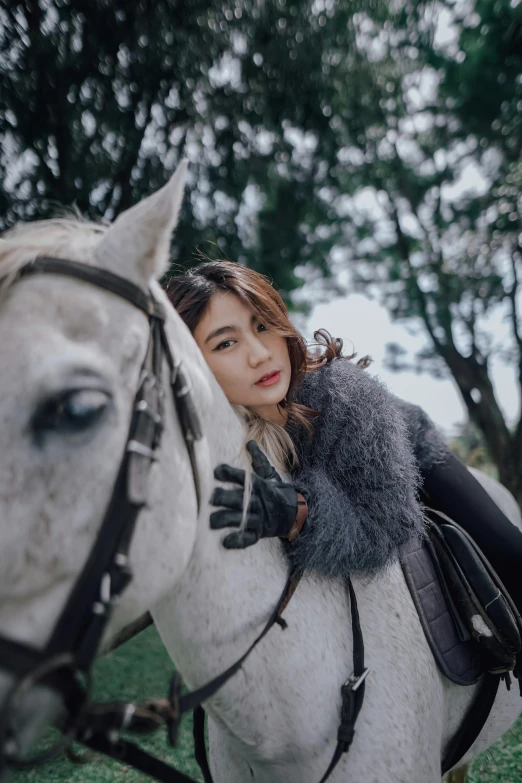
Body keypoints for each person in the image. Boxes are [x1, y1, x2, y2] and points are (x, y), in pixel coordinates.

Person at [166, 260, 522, 614]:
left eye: (263, 326)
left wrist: (297, 513)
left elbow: (387, 526)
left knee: (509, 554)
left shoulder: (343, 394)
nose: (260, 355)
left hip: (412, 454)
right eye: (226, 343)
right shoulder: (202, 432)